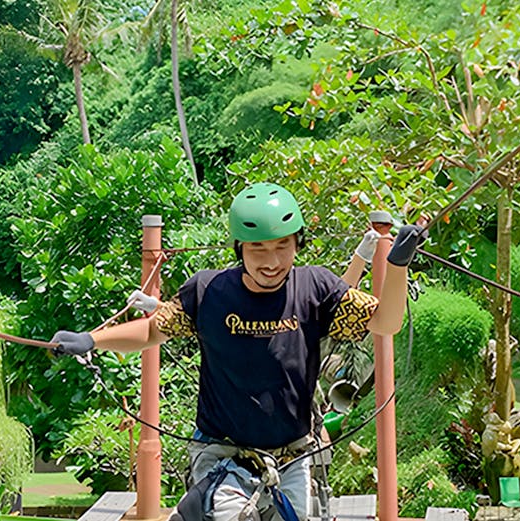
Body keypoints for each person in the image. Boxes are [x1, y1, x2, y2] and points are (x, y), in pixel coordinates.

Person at [52, 182, 424, 521]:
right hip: (221, 456)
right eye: (258, 248)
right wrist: (92, 339)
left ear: (298, 244)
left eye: (282, 246)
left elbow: (385, 321)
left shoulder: (316, 288)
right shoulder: (210, 291)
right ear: (239, 249)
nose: (272, 261)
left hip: (292, 457)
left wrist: (398, 265)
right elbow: (153, 328)